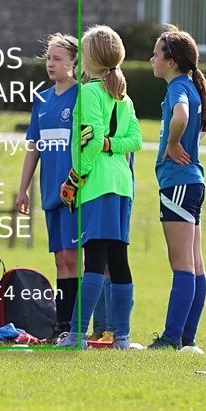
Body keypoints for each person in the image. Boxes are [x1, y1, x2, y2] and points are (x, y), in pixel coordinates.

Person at [56, 25, 142, 350]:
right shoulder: (125, 97)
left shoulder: (89, 92)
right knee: (118, 259)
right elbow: (134, 141)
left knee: (93, 257)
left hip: (98, 184)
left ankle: (77, 336)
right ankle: (122, 338)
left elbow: (88, 140)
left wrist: (75, 179)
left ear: (90, 59)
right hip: (123, 184)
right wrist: (113, 144)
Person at [147, 26, 206, 350]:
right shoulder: (190, 84)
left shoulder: (178, 88)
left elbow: (182, 116)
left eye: (156, 54)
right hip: (193, 183)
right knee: (195, 262)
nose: (151, 59)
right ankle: (187, 337)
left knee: (182, 264)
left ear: (171, 61)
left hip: (178, 183)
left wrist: (173, 143)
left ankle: (172, 337)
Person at [14, 33, 80, 340]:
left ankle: (74, 326)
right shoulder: (41, 99)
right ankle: (62, 325)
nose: (50, 64)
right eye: (48, 58)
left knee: (72, 257)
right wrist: (23, 188)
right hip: (50, 191)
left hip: (73, 193)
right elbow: (33, 147)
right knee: (58, 259)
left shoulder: (81, 96)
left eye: (57, 59)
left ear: (74, 62)